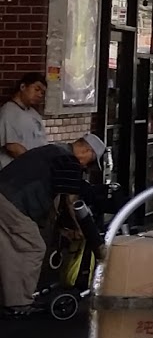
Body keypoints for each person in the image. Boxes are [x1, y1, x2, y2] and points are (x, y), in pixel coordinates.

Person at [0, 133, 105, 317]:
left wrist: (61, 228)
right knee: (33, 247)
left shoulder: (53, 150)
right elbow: (71, 201)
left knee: (10, 247)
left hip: (5, 194)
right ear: (86, 150)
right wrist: (81, 229)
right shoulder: (69, 161)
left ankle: (12, 299)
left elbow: (55, 201)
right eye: (90, 161)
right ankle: (20, 303)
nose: (86, 167)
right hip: (13, 201)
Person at [0, 73, 48, 170]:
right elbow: (12, 147)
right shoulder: (8, 111)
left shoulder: (34, 113)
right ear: (23, 87)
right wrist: (34, 163)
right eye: (37, 89)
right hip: (17, 171)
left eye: (42, 93)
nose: (39, 95)